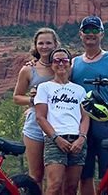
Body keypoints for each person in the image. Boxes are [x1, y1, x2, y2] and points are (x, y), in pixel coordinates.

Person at [70, 16, 108, 195]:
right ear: (81, 34)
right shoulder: (74, 62)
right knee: (85, 173)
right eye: (87, 30)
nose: (91, 34)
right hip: (82, 125)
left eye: (95, 30)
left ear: (102, 34)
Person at [34, 48, 89, 195]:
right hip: (55, 139)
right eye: (57, 61)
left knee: (71, 187)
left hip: (77, 140)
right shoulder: (44, 88)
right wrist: (56, 138)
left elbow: (85, 117)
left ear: (70, 64)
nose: (61, 64)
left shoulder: (79, 90)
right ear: (52, 65)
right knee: (54, 185)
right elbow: (40, 117)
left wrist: (82, 138)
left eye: (64, 60)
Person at [13, 27, 60, 189]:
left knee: (55, 177)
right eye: (41, 43)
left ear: (55, 45)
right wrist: (34, 100)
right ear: (35, 45)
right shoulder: (28, 70)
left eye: (48, 43)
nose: (44, 46)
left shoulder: (63, 67)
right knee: (36, 176)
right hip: (35, 124)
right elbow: (17, 97)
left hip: (59, 124)